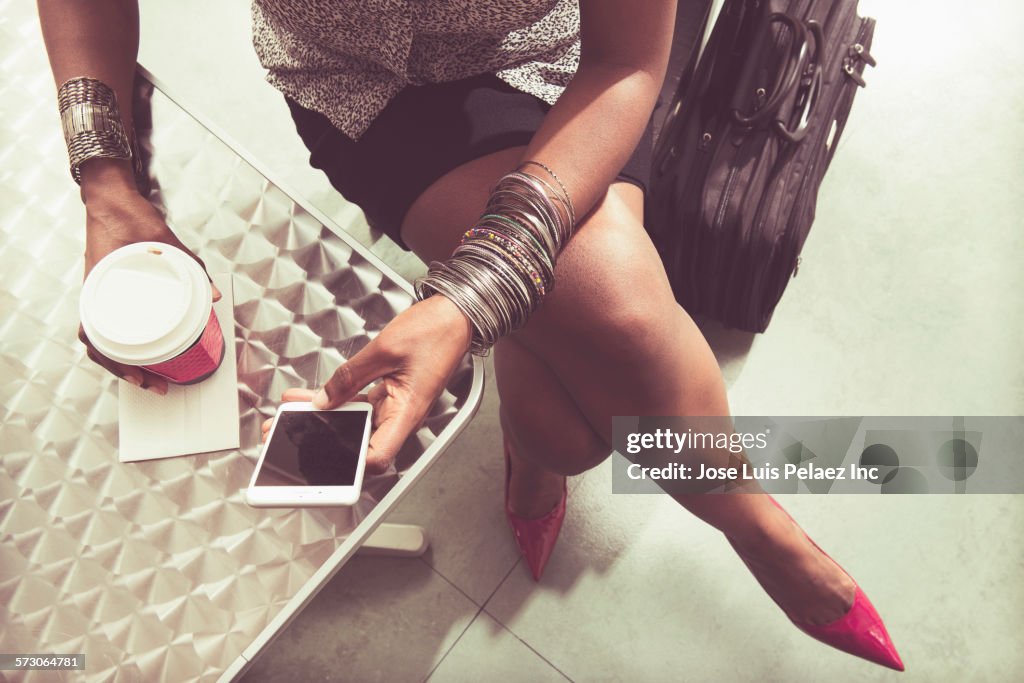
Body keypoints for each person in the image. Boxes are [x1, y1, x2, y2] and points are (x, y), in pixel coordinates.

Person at [38, 0, 903, 671]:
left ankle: (756, 531)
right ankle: (733, 516)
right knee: (591, 365)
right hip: (362, 87)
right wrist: (107, 179)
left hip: (581, 50)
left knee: (600, 360)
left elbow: (627, 61)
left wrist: (474, 293)